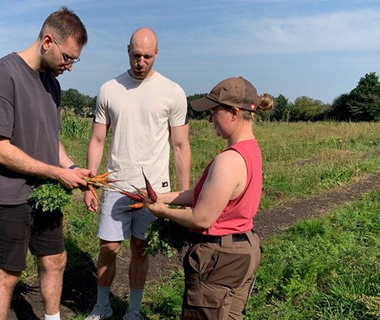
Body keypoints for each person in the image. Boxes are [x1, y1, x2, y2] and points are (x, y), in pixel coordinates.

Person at [0, 7, 90, 320]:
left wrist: (71, 169)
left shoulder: (52, 84)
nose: (69, 66)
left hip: (45, 194)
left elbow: (51, 140)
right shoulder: (3, 75)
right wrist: (55, 172)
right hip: (7, 196)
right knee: (7, 274)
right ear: (48, 41)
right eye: (68, 57)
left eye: (74, 60)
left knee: (55, 260)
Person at [84, 27, 192, 320]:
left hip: (154, 189)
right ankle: (102, 306)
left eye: (147, 56)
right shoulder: (109, 89)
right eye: (135, 55)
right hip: (115, 185)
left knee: (141, 248)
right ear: (127, 50)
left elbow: (181, 145)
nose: (140, 62)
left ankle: (133, 311)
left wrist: (184, 194)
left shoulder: (173, 92)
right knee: (108, 248)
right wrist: (90, 183)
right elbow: (97, 139)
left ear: (157, 54)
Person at [144, 76, 273, 319]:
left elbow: (201, 218)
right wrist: (162, 196)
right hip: (244, 248)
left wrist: (162, 212)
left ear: (234, 112)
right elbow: (203, 195)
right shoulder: (250, 150)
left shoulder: (228, 161)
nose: (210, 118)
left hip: (219, 259)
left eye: (214, 112)